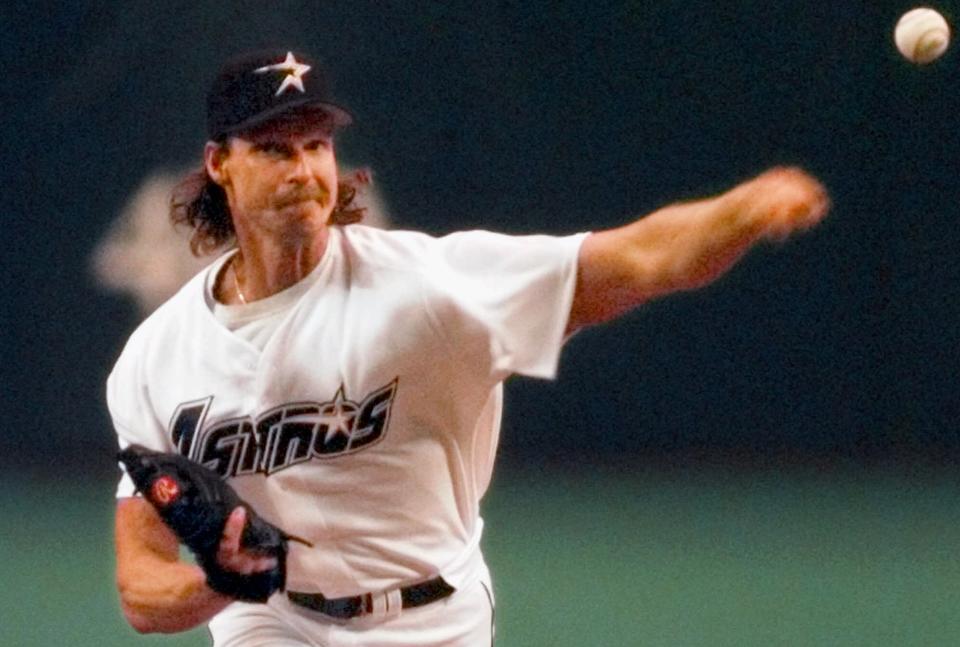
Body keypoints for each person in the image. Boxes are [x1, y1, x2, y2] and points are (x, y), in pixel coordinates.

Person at [109, 49, 830, 646]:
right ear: (220, 165)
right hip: (271, 621)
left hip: (432, 616)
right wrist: (218, 581)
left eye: (317, 145)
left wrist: (744, 209)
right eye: (272, 148)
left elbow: (636, 259)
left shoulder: (427, 290)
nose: (303, 169)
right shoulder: (157, 357)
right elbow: (140, 584)